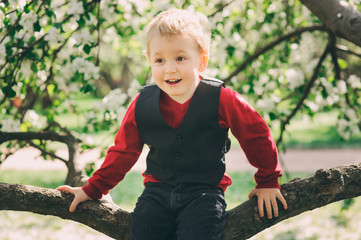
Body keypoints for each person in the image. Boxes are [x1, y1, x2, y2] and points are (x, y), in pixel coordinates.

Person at [57, 8, 287, 240]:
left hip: (204, 193)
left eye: (180, 58)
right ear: (150, 61)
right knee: (144, 231)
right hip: (156, 192)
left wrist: (268, 181)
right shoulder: (142, 103)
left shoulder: (221, 98)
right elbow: (123, 151)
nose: (170, 68)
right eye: (159, 60)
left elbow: (256, 134)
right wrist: (94, 189)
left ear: (202, 60)